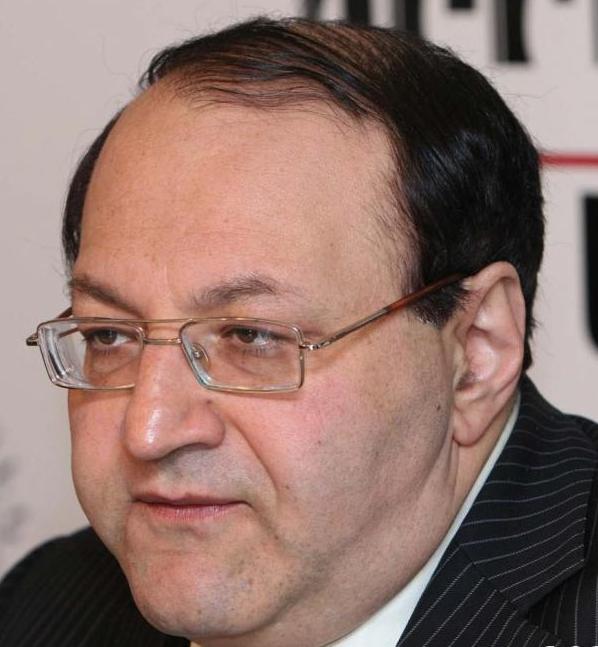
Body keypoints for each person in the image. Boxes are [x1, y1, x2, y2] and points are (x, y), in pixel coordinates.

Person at [1, 16, 596, 647]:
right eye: (109, 336)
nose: (148, 431)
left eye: (250, 337)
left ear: (475, 353)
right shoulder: (45, 606)